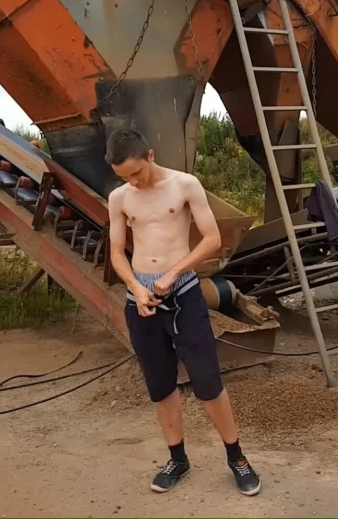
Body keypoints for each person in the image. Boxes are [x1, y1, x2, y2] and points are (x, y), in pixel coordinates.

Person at [105, 128, 261, 497]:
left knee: (207, 381)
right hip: (142, 299)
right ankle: (177, 458)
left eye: (136, 172)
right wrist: (136, 288)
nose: (133, 182)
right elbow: (116, 253)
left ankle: (237, 457)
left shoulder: (185, 185)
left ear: (150, 156)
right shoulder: (119, 197)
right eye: (124, 177)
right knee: (160, 384)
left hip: (184, 293)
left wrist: (174, 272)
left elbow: (212, 239)